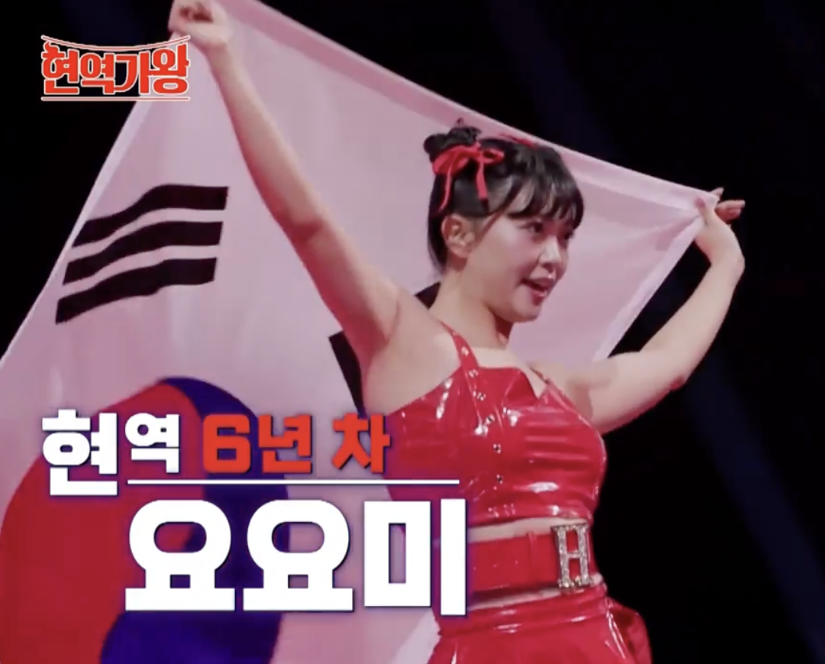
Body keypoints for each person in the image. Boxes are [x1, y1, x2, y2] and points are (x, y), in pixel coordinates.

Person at [169, 1, 745, 662]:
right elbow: (307, 222)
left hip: (593, 640)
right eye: (534, 229)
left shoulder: (557, 389)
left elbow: (669, 362)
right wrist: (225, 61)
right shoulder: (404, 342)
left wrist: (727, 264)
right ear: (460, 233)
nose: (555, 257)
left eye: (565, 236)